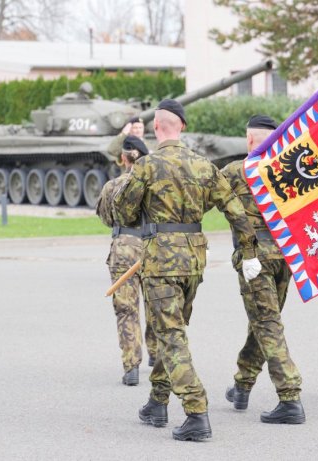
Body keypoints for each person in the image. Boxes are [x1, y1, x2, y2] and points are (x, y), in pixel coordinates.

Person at [113, 99, 260, 442]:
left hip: (161, 261)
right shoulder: (204, 166)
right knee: (173, 329)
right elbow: (235, 210)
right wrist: (250, 252)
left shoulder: (147, 167)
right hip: (193, 261)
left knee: (170, 334)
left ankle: (196, 411)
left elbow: (123, 212)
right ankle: (157, 401)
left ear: (155, 128)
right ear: (183, 127)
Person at [221, 115, 305, 424]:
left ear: (249, 140)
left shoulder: (235, 172)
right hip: (286, 257)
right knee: (264, 319)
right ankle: (242, 385)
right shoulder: (290, 169)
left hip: (254, 258)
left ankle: (290, 397)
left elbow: (203, 200)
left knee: (267, 323)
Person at [95, 135, 158, 386]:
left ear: (123, 159)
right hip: (152, 247)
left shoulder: (113, 186)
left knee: (126, 309)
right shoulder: (155, 185)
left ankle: (131, 365)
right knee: (155, 304)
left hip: (123, 248)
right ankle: (157, 354)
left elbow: (105, 217)